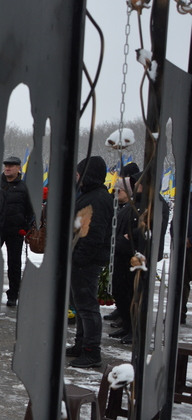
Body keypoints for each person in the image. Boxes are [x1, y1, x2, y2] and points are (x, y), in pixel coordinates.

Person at [67, 156, 113, 368]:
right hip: (80, 260)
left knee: (87, 307)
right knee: (80, 305)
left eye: (79, 174)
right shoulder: (90, 195)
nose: (76, 177)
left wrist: (77, 259)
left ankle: (91, 351)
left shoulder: (97, 199)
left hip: (85, 262)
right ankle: (81, 344)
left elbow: (94, 235)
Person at [0, 155, 35, 307]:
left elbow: (31, 210)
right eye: (6, 165)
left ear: (19, 168)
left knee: (14, 264)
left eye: (11, 166)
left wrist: (25, 227)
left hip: (15, 231)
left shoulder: (25, 187)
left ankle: (13, 295)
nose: (7, 168)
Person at [109, 176, 137, 344]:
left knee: (128, 294)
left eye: (120, 190)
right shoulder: (120, 207)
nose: (117, 193)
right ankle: (126, 325)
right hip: (118, 254)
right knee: (120, 292)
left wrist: (122, 240)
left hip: (127, 257)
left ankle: (131, 327)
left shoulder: (132, 208)